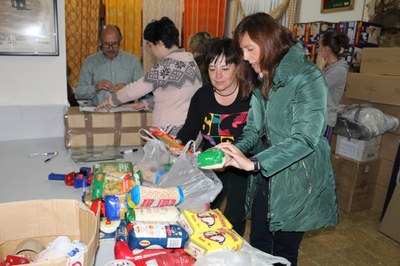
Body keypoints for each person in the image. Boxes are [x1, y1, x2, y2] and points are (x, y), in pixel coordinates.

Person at [217, 13, 338, 265]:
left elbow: (306, 138)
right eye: (243, 50)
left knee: (284, 253)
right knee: (260, 245)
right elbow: (253, 130)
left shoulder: (308, 78)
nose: (246, 57)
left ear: (270, 42)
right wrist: (232, 151)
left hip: (297, 179)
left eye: (250, 49)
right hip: (266, 177)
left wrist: (255, 163)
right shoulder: (264, 80)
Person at [176, 38, 250, 236]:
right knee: (205, 210)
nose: (218, 76)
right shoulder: (202, 96)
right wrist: (176, 143)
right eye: (212, 69)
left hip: (241, 166)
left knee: (235, 216)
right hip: (211, 163)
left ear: (237, 67)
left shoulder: (250, 96)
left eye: (225, 69)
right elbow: (189, 130)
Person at [98, 17, 202, 137]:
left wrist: (111, 100)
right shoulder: (190, 61)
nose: (150, 50)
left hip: (172, 133)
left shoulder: (166, 65)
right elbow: (177, 96)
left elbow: (136, 88)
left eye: (150, 45)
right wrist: (145, 104)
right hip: (191, 130)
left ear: (160, 43)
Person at [75, 24, 144, 107]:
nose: (111, 48)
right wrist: (95, 88)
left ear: (120, 41)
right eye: (106, 44)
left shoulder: (132, 61)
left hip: (126, 114)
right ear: (100, 42)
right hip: (98, 114)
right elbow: (78, 93)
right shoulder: (90, 62)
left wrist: (128, 90)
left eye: (115, 44)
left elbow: (144, 92)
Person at [316, 32, 350, 142]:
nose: (317, 50)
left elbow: (314, 87)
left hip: (325, 122)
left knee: (319, 157)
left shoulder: (339, 70)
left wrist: (318, 67)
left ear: (325, 49)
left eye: (319, 46)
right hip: (317, 119)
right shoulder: (328, 68)